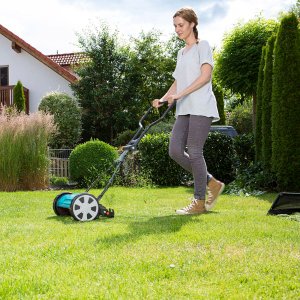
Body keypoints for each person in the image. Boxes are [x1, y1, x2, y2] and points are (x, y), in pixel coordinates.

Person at [152, 7, 224, 215]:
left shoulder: (203, 46)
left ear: (192, 24)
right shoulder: (180, 53)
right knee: (175, 150)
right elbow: (177, 81)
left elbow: (205, 76)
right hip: (184, 109)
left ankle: (199, 202)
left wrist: (181, 94)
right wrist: (164, 98)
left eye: (180, 25)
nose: (177, 29)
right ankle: (212, 183)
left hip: (201, 105)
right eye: (175, 26)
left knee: (194, 151)